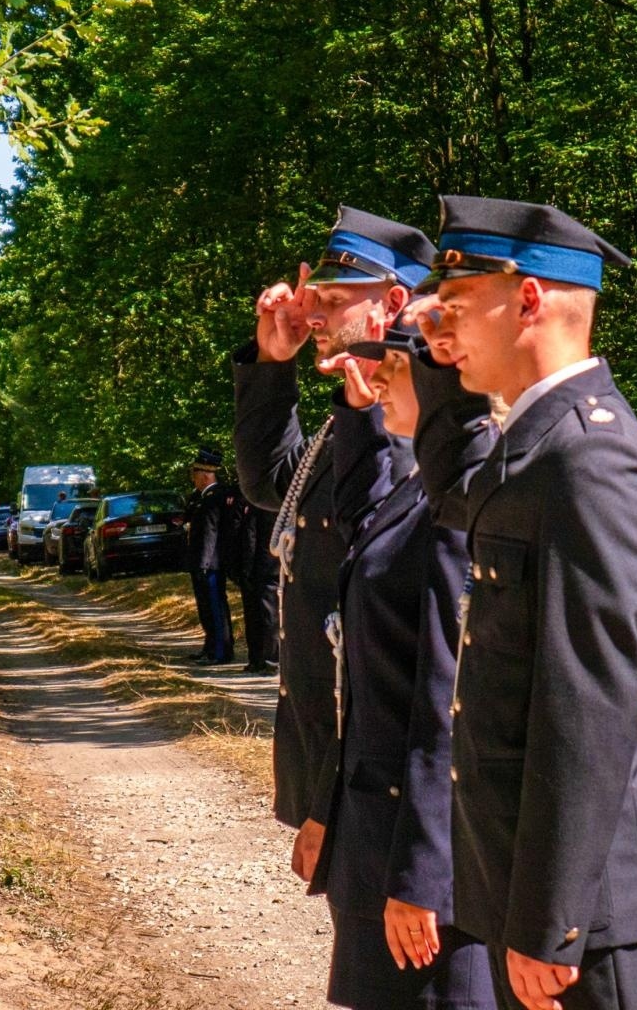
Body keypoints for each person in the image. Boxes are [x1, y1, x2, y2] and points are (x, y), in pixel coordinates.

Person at [411, 195, 637, 1010]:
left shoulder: (590, 456)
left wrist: (550, 919)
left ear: (528, 299)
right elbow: (456, 494)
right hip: (538, 895)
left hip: (590, 914)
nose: (438, 322)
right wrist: (439, 365)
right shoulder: (535, 441)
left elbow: (589, 703)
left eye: (457, 305)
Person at [302, 321, 496, 1010]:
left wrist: (424, 874)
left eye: (395, 369)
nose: (378, 379)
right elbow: (357, 526)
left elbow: (448, 700)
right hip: (376, 829)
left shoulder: (454, 507)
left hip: (420, 859)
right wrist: (357, 416)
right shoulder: (416, 488)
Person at [232, 205, 435, 849]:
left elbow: (401, 654)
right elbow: (274, 485)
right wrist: (273, 359)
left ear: (394, 302)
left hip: (381, 777)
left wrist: (333, 798)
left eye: (336, 299)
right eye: (314, 297)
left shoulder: (419, 431)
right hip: (335, 755)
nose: (313, 313)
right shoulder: (356, 414)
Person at [187, 446, 239, 667]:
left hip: (211, 562)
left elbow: (211, 532)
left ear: (206, 475)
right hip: (202, 561)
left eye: (196, 475)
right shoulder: (200, 497)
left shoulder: (215, 497)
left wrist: (205, 562)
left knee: (215, 607)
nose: (194, 480)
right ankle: (210, 647)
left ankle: (221, 651)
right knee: (205, 607)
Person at [235, 497, 281, 674]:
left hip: (262, 566)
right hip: (278, 563)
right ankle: (265, 657)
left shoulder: (259, 502)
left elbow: (250, 536)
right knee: (271, 613)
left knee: (263, 614)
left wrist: (245, 569)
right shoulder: (285, 501)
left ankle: (267, 659)